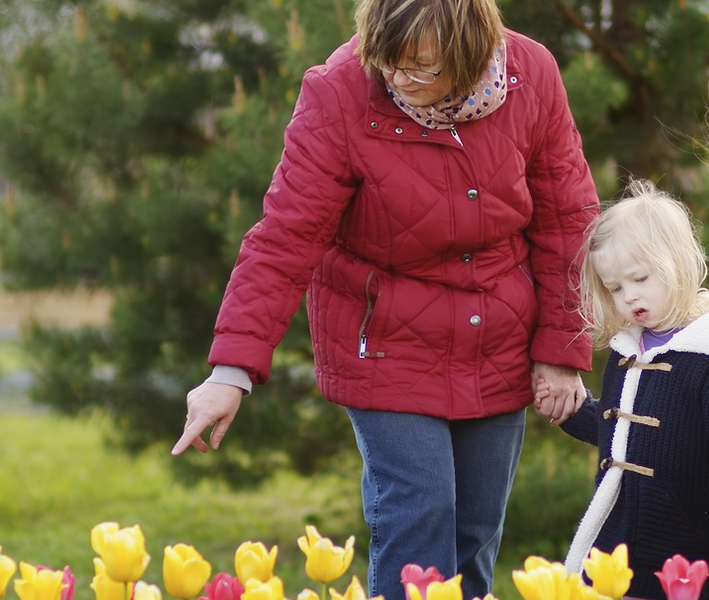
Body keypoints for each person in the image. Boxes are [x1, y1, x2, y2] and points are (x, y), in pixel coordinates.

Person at [165, 0, 603, 597]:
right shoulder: (339, 92)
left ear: (471, 52)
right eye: (386, 61)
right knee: (419, 519)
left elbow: (566, 220)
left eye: (418, 68)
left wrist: (562, 348)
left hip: (497, 333)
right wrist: (230, 369)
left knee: (474, 536)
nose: (396, 79)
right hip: (386, 340)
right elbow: (285, 236)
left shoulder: (533, 74)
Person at [555, 181, 709, 600]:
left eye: (639, 278)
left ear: (675, 262)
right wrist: (574, 413)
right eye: (615, 288)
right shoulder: (628, 349)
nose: (629, 297)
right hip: (619, 527)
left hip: (686, 537)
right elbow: (625, 432)